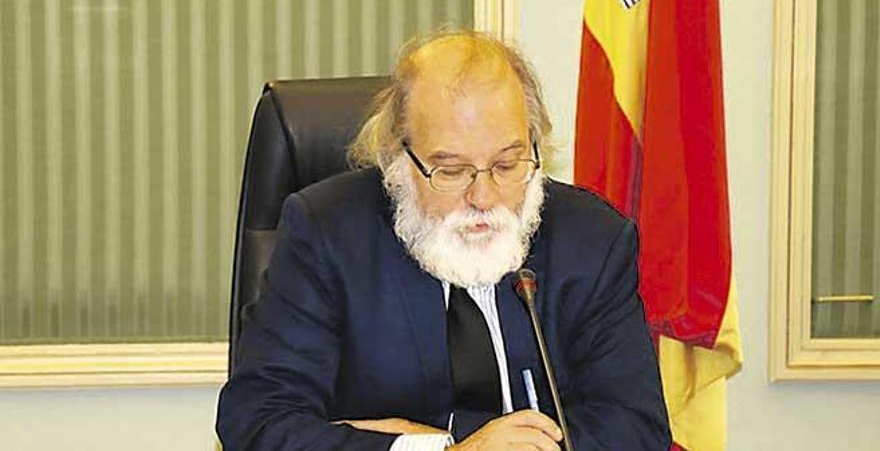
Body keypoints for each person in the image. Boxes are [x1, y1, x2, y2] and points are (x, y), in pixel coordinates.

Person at [216, 30, 671, 450]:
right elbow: (257, 422)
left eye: (507, 165)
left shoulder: (592, 240)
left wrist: (459, 441)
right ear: (398, 158)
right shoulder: (328, 234)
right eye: (451, 171)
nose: (483, 196)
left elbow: (637, 427)